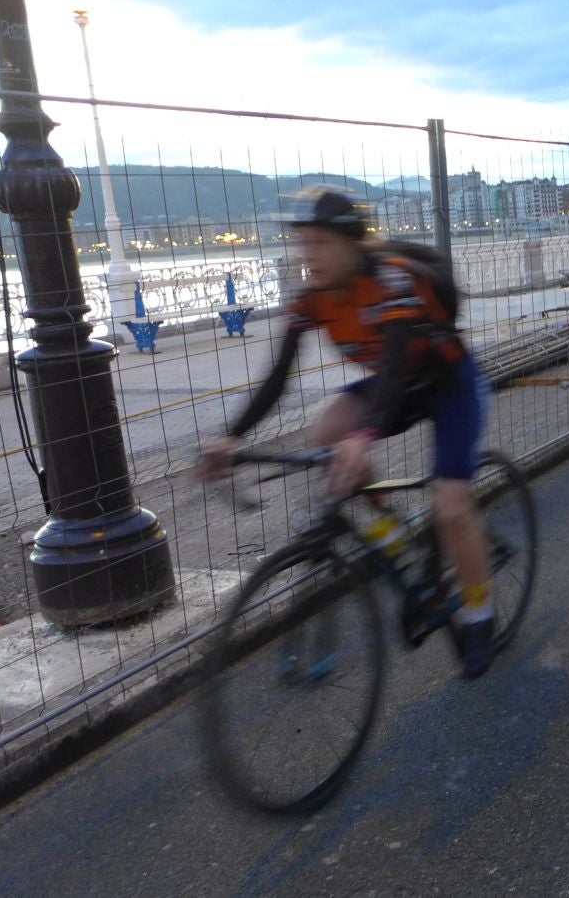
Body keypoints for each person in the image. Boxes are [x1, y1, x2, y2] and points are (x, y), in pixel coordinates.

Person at [197, 186, 499, 679]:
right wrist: (231, 437)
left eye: (319, 243)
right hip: (393, 387)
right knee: (325, 430)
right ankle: (388, 527)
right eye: (302, 242)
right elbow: (277, 378)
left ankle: (480, 612)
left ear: (352, 244)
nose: (307, 254)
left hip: (448, 385)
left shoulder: (391, 281)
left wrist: (364, 437)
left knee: (451, 507)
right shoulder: (312, 299)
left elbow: (399, 364)